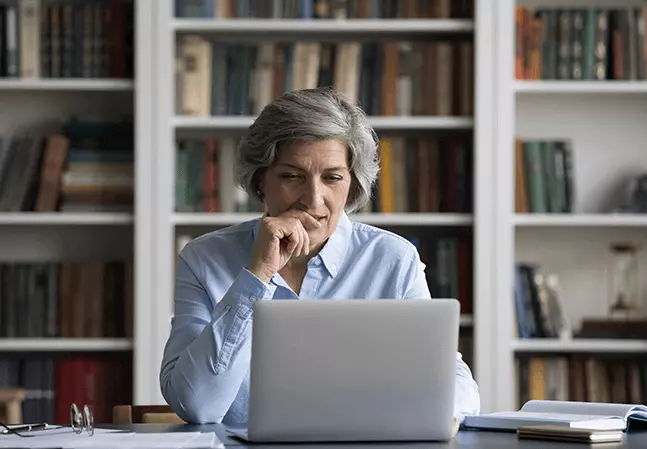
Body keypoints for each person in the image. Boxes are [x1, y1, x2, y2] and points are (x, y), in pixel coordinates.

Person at [159, 87, 480, 426]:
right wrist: (257, 274)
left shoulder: (393, 260)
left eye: (332, 178)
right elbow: (197, 405)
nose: (313, 199)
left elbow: (450, 377)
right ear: (260, 181)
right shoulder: (203, 259)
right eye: (292, 176)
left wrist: (446, 410)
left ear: (352, 184)